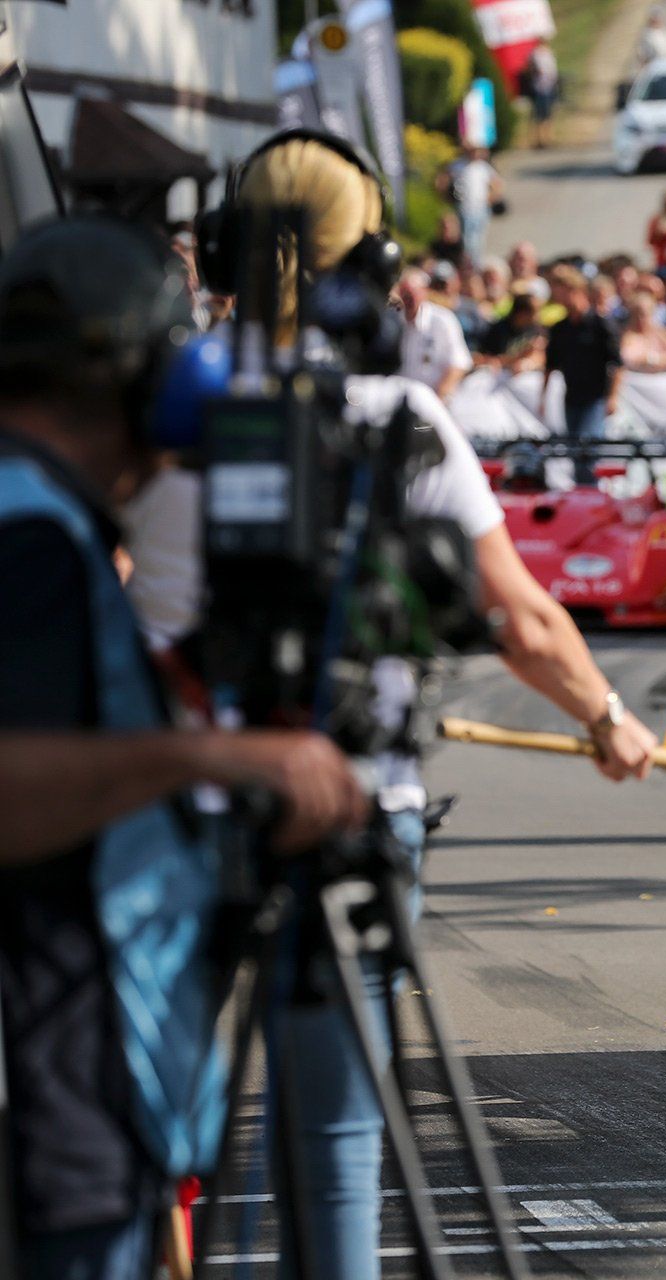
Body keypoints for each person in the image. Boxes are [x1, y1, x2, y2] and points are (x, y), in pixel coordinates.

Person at [221, 132, 657, 1279]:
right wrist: (607, 715)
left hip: (197, 805)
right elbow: (522, 618)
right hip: (358, 808)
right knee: (336, 1132)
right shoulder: (401, 419)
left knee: (172, 1129)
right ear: (365, 265)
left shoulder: (179, 409)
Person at [0, 216, 369, 1277]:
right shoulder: (31, 532)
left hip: (72, 1079)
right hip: (59, 1080)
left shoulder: (41, 517)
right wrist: (214, 760)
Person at [544, 264, 624, 457]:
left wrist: (613, 397)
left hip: (595, 397)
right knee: (573, 449)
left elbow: (617, 363)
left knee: (588, 449)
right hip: (571, 396)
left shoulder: (601, 325)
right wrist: (543, 396)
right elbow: (551, 364)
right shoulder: (560, 329)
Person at [395, 266, 473, 401]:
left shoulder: (442, 320)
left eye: (414, 293)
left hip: (435, 398)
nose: (409, 298)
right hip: (403, 397)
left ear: (425, 292)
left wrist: (439, 398)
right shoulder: (395, 321)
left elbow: (459, 364)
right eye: (406, 293)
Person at [435, 144, 503, 265]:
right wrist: (447, 196)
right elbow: (442, 180)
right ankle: (466, 264)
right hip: (463, 208)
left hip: (479, 209)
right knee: (466, 240)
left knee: (477, 240)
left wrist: (487, 200)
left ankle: (474, 265)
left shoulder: (483, 167)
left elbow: (497, 185)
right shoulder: (458, 165)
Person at [619, 290, 666, 373]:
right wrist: (653, 360)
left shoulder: (659, 331)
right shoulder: (627, 335)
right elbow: (628, 358)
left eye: (644, 314)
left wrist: (659, 359)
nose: (640, 319)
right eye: (636, 314)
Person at [523, 39, 560, 149]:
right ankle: (538, 139)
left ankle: (548, 138)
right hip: (539, 88)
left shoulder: (549, 54)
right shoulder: (535, 55)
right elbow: (532, 69)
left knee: (548, 115)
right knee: (539, 116)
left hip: (549, 87)